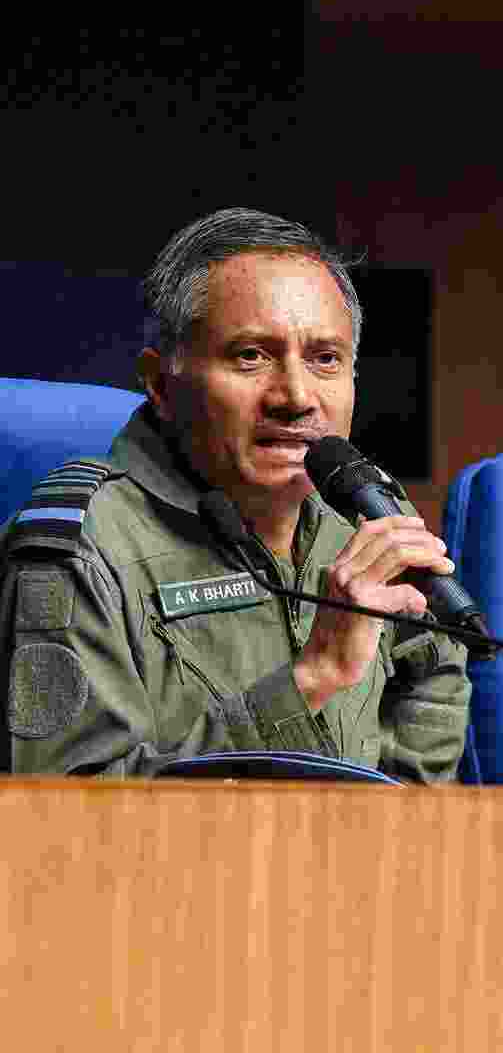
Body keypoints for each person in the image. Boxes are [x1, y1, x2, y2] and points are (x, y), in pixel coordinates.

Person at [1, 208, 470, 778]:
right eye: (250, 356)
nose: (296, 397)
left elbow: (437, 677)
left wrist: (394, 838)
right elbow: (67, 818)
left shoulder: (366, 515)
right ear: (160, 386)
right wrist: (314, 677)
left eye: (325, 359)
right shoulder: (78, 552)